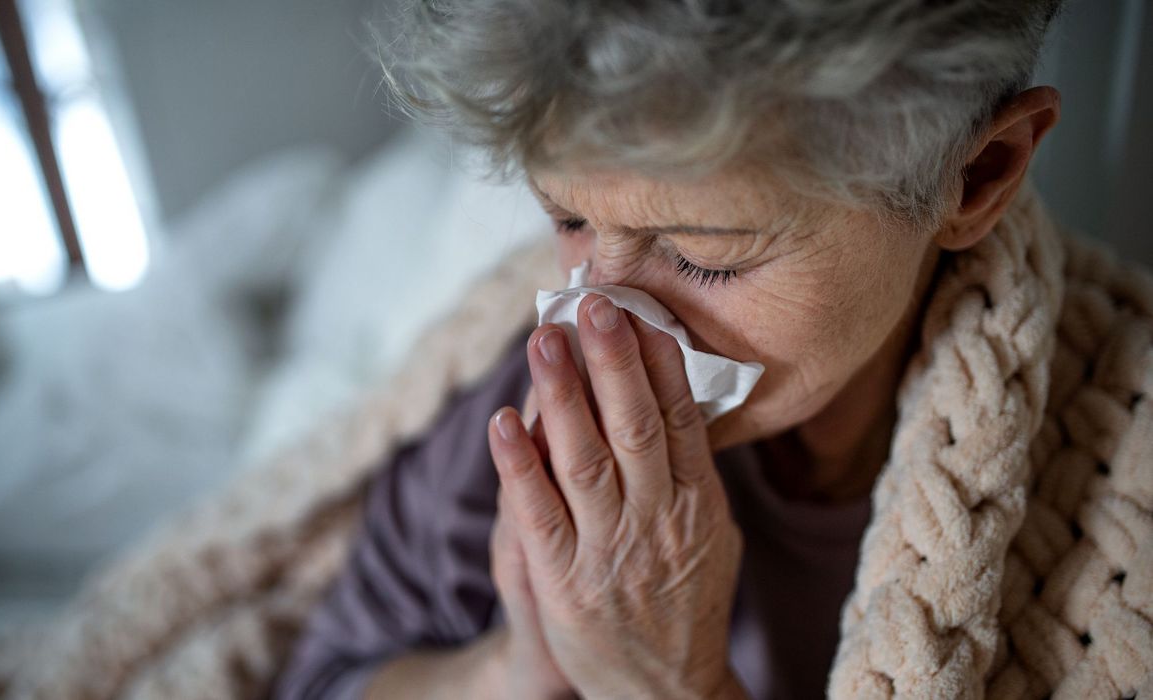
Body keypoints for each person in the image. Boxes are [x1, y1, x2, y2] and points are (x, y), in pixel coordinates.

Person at [275, 1, 1153, 698]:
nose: (596, 316)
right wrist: (522, 668)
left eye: (706, 256)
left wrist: (665, 685)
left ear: (978, 176)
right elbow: (323, 676)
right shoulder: (528, 396)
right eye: (568, 218)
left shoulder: (1122, 496)